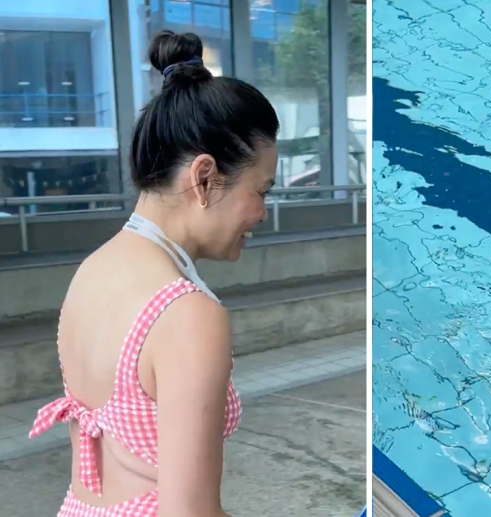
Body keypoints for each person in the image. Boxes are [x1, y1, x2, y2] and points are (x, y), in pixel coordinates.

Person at [28, 30, 279, 516]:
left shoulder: (92, 270)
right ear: (204, 178)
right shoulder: (187, 315)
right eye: (262, 190)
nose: (263, 213)